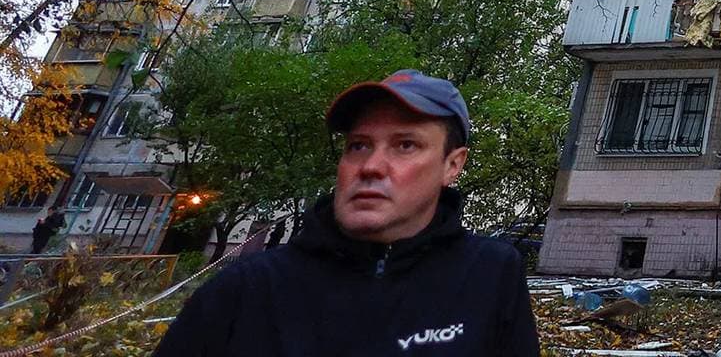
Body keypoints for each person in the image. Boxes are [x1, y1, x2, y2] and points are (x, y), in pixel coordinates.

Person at [153, 70, 538, 356]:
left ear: (452, 165)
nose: (370, 166)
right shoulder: (249, 288)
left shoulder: (490, 274)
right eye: (358, 146)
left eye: (405, 145)